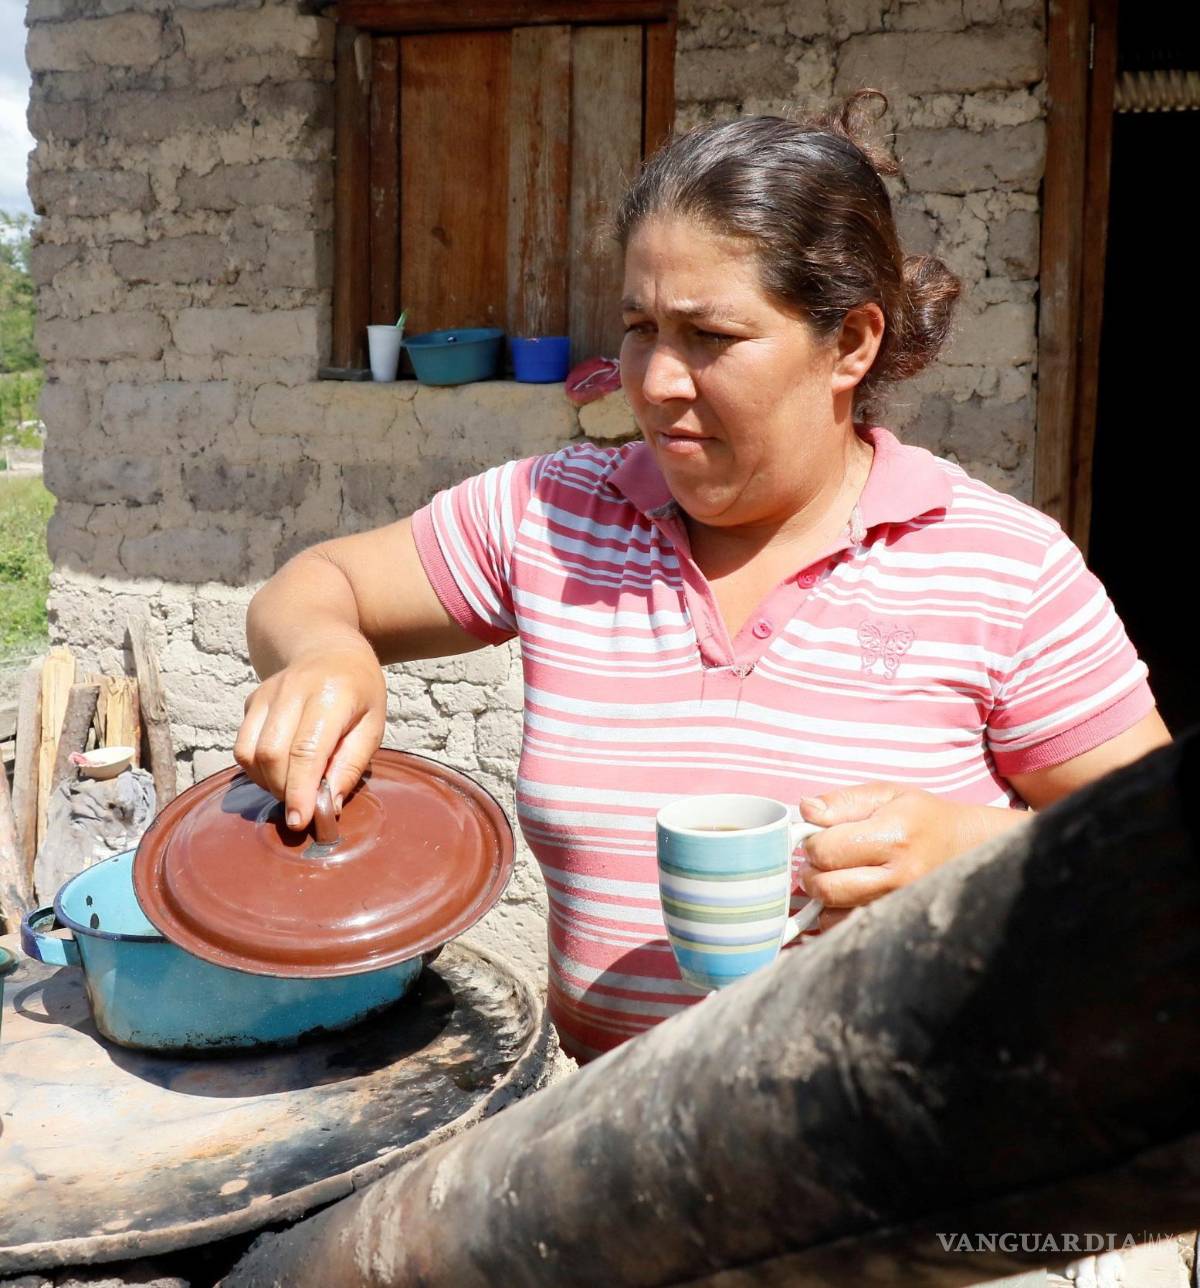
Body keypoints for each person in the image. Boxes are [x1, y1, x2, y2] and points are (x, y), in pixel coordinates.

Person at [236, 95, 1170, 1064]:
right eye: (640, 326)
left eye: (711, 336)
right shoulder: (555, 518)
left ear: (851, 343)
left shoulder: (996, 567)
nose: (656, 381)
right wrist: (323, 654)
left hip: (906, 1164)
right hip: (614, 1154)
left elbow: (1161, 854)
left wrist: (984, 857)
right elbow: (312, 587)